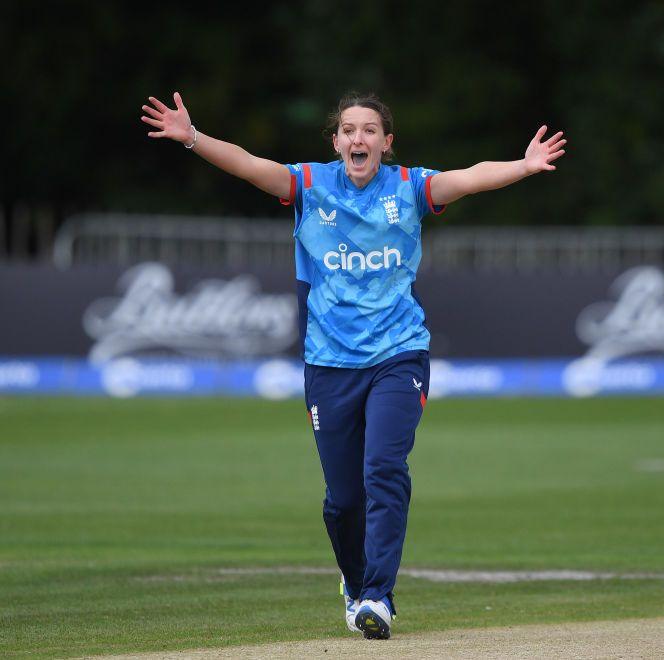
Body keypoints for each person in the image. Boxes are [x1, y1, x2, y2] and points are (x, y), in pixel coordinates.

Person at [141, 91, 566, 639]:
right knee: (342, 502)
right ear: (336, 141)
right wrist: (193, 137)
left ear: (386, 144)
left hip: (399, 355)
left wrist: (524, 166)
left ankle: (378, 597)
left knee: (384, 471)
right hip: (329, 363)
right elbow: (250, 166)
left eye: (370, 131)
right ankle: (355, 579)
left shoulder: (410, 186)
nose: (358, 139)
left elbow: (468, 177)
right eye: (348, 130)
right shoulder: (309, 185)